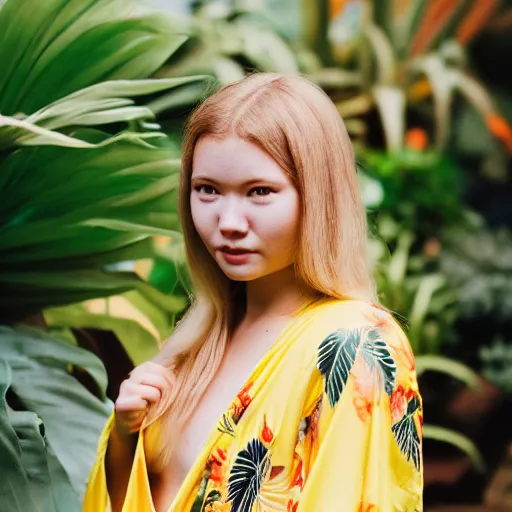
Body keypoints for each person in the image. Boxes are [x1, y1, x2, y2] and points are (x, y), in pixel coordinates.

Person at [83, 72, 423, 512]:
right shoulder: (201, 342)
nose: (228, 222)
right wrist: (127, 439)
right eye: (207, 190)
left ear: (317, 196)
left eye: (259, 192)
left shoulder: (354, 343)